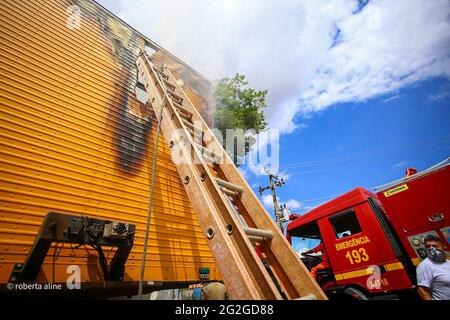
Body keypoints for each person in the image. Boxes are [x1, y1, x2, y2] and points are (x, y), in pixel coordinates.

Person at [416, 235, 450, 300]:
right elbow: (422, 291)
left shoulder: (448, 262)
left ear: (443, 247)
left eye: (435, 246)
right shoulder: (425, 265)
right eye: (428, 246)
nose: (431, 248)